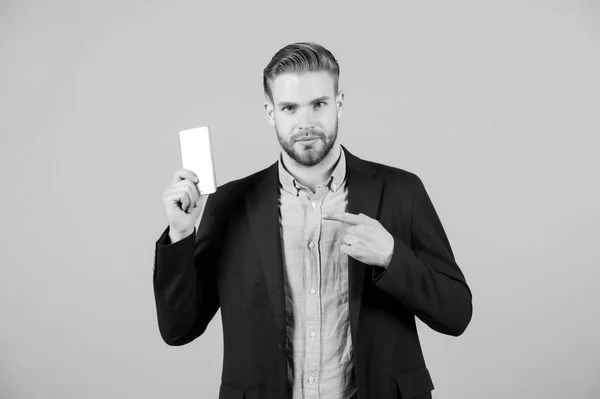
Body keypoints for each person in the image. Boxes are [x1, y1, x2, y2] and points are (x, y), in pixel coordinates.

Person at [153, 42, 472, 399]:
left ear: (339, 103)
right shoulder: (228, 205)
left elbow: (456, 314)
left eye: (318, 104)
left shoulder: (402, 191)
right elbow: (178, 329)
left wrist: (392, 257)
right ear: (270, 113)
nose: (305, 123)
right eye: (289, 107)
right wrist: (181, 234)